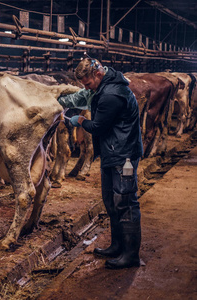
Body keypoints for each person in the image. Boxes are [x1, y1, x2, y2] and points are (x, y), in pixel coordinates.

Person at [57, 57, 143, 269]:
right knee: (111, 200)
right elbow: (88, 99)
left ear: (98, 74)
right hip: (113, 152)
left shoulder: (112, 94)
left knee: (125, 201)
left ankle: (131, 255)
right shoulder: (105, 86)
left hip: (125, 157)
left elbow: (98, 126)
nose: (87, 88)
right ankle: (116, 245)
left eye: (87, 84)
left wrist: (80, 121)